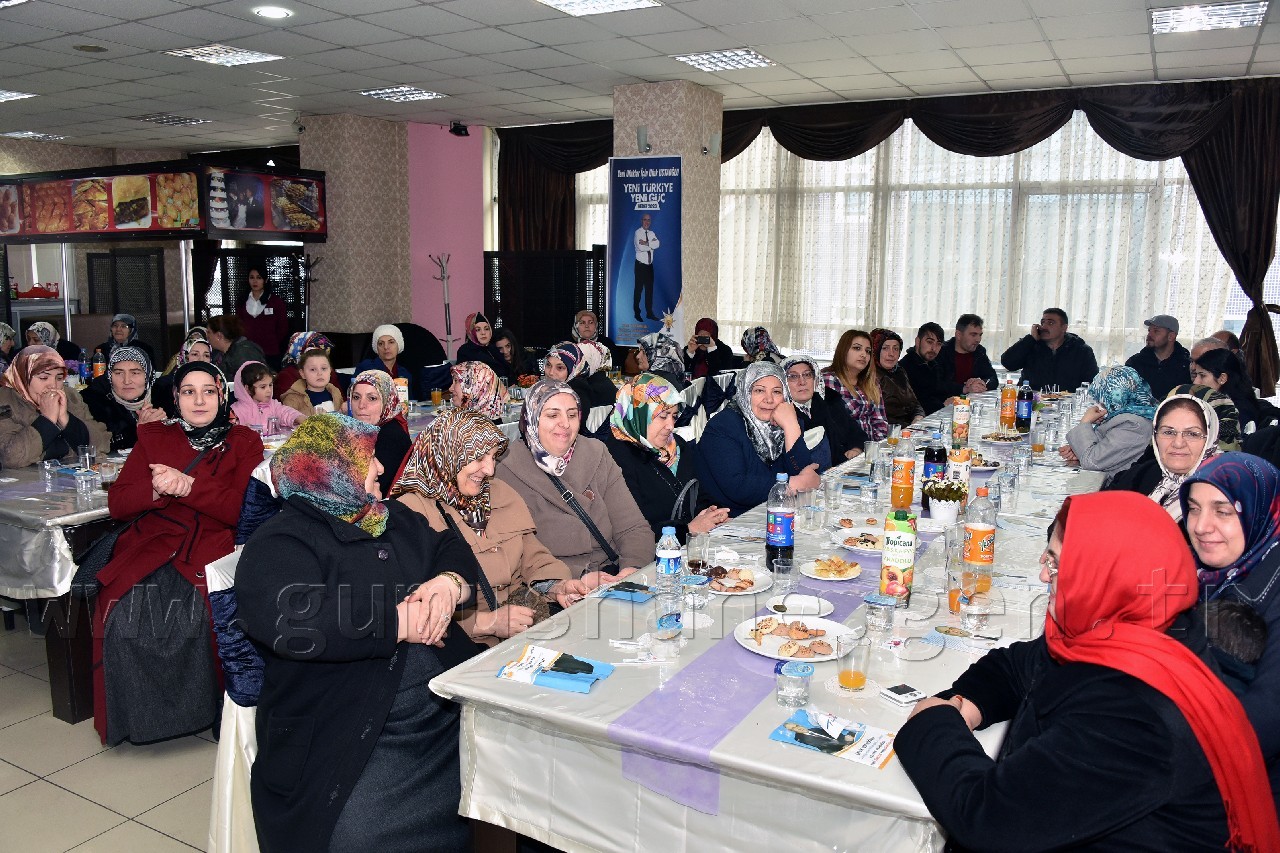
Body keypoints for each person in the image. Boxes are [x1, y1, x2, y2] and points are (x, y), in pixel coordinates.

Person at [894, 492, 1280, 852]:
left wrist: (934, 721)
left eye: (1057, 563)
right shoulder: (1134, 629)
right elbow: (1016, 665)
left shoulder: (1136, 717)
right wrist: (968, 704)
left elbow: (987, 817)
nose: (1043, 575)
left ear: (1106, 579)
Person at [237, 413, 478, 853]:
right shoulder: (280, 541)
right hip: (354, 732)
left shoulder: (392, 516)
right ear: (329, 469)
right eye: (368, 458)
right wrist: (396, 623)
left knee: (522, 779)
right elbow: (295, 619)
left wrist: (449, 583)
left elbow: (451, 548)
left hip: (444, 716)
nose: (381, 467)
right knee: (360, 834)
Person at [92, 362, 263, 746]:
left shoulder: (244, 441)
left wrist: (189, 487)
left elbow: (243, 511)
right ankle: (140, 720)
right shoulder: (156, 437)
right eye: (189, 392)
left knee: (195, 619)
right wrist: (155, 490)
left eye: (208, 391)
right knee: (123, 616)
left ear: (222, 395)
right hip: (156, 544)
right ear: (175, 398)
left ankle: (203, 710)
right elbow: (119, 503)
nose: (199, 400)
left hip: (211, 548)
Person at [394, 409, 596, 646]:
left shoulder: (498, 492)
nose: (490, 469)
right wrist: (487, 623)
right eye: (479, 458)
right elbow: (411, 607)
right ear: (448, 454)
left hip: (524, 630)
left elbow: (533, 556)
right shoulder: (410, 511)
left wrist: (556, 586)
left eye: (492, 457)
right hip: (465, 649)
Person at [1182, 452, 1280, 807]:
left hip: (1238, 791)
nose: (1201, 526)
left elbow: (1266, 717)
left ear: (1259, 511)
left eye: (1223, 512)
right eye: (1193, 509)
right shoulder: (1197, 568)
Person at [495, 379, 654, 579]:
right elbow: (519, 557)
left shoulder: (595, 453)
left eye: (572, 415)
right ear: (531, 419)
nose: (565, 423)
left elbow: (632, 527)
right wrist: (566, 584)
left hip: (612, 573)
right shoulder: (507, 469)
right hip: (557, 585)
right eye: (553, 415)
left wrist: (632, 570)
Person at [601, 373, 729, 540]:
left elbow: (698, 492)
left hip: (691, 544)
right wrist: (688, 529)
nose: (670, 425)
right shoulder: (616, 458)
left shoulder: (677, 446)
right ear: (639, 413)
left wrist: (711, 513)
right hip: (650, 553)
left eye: (674, 416)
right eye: (662, 416)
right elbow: (631, 533)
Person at [697, 362, 823, 516]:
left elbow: (805, 473)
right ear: (745, 393)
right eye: (759, 390)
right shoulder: (723, 426)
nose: (769, 399)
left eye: (776, 392)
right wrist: (792, 485)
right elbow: (738, 487)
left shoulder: (786, 421)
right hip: (731, 518)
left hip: (777, 511)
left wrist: (791, 426)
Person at [1106, 392, 1221, 520]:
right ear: (1155, 436)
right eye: (1168, 432)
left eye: (1192, 434)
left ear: (1210, 439)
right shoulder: (1140, 474)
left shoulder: (1220, 494)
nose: (1178, 443)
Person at [0, 345, 111, 468]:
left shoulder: (69, 396)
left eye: (59, 378)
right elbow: (10, 456)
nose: (53, 385)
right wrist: (47, 419)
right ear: (23, 377)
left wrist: (65, 418)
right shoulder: (4, 401)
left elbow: (102, 444)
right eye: (43, 378)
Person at [1060, 366, 1156, 480]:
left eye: (1102, 401)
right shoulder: (1138, 412)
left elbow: (1092, 462)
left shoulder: (1133, 425)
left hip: (1114, 486)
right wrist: (1079, 450)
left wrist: (1085, 423)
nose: (1099, 406)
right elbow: (1107, 450)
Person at [79, 345, 166, 452]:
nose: (127, 381)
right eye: (119, 373)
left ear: (148, 376)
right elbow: (95, 446)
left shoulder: (165, 396)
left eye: (135, 373)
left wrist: (167, 427)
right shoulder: (93, 401)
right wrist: (139, 430)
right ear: (110, 376)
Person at [999, 307, 1098, 391]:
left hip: (1066, 402)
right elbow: (1008, 363)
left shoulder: (1081, 350)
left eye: (1050, 323)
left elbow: (1092, 382)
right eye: (1042, 322)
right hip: (1031, 401)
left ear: (1064, 328)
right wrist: (1030, 339)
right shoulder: (1030, 345)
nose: (1044, 327)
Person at [347, 369, 412, 496]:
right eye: (356, 397)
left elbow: (365, 495)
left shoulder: (390, 438)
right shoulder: (363, 432)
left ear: (387, 401)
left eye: (372, 398)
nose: (361, 405)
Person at [822, 329, 890, 449]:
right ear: (843, 351)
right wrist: (856, 448)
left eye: (868, 351)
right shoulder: (829, 380)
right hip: (846, 450)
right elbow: (832, 427)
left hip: (871, 449)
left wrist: (878, 449)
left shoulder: (872, 382)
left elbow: (880, 421)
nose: (864, 354)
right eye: (857, 348)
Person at [1191, 347, 1280, 433]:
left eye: (1202, 375)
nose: (1196, 382)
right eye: (1196, 375)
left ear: (1222, 378)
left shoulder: (1235, 414)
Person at [784, 355, 848, 463]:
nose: (802, 382)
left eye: (807, 375)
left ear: (815, 379)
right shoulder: (780, 415)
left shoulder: (827, 403)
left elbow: (851, 432)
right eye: (793, 376)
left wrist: (855, 447)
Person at [1126, 314, 1191, 401]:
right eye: (1149, 331)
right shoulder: (1135, 362)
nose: (1149, 335)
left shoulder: (1186, 366)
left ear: (1171, 336)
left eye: (1156, 331)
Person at [235, 266, 289, 367]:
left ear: (265, 280)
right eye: (252, 277)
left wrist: (272, 341)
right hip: (247, 351)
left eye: (259, 277)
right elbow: (238, 325)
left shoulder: (276, 302)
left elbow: (283, 327)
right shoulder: (242, 301)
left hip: (270, 352)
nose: (255, 281)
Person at [871, 328, 924, 428]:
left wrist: (918, 417)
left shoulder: (899, 371)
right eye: (885, 348)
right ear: (875, 350)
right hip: (887, 431)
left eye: (895, 349)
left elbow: (914, 403)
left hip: (909, 429)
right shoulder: (869, 376)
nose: (891, 354)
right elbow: (877, 418)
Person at [936, 313, 997, 398]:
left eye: (980, 335)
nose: (978, 339)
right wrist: (964, 388)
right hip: (945, 402)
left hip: (971, 402)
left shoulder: (980, 352)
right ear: (959, 335)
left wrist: (981, 382)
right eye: (973, 335)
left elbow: (993, 378)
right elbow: (936, 383)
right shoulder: (941, 351)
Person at [230, 361, 301, 434]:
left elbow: (285, 412)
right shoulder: (236, 412)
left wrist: (298, 417)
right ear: (247, 389)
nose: (269, 390)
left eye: (270, 385)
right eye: (263, 387)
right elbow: (230, 433)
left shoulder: (273, 405)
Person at [152, 336, 213, 418]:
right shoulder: (165, 385)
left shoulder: (216, 384)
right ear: (184, 356)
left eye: (206, 355)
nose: (201, 359)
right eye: (195, 354)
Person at [544, 340, 615, 410]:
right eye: (548, 365)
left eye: (582, 358)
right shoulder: (605, 385)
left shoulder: (577, 392)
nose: (551, 372)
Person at [354, 324, 414, 398]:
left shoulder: (405, 373)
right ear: (376, 348)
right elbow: (355, 396)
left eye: (391, 342)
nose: (386, 347)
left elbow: (409, 401)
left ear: (399, 345)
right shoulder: (366, 369)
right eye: (381, 344)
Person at [900, 321, 948, 414]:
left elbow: (942, 390)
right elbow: (916, 403)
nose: (934, 348)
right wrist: (943, 405)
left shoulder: (934, 365)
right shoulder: (905, 367)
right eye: (929, 342)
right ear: (918, 342)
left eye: (938, 344)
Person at [281, 348, 343, 417]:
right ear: (302, 373)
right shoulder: (293, 399)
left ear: (330, 371)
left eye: (324, 368)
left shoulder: (335, 392)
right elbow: (288, 421)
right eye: (313, 369)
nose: (319, 373)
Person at [456, 311, 513, 381]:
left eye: (486, 329)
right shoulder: (465, 351)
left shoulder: (492, 348)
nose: (483, 333)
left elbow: (507, 371)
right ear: (471, 332)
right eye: (478, 330)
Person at [207, 314, 267, 381]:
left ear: (219, 336)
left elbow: (253, 382)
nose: (207, 336)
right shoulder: (220, 354)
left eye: (209, 332)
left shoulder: (244, 353)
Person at [274, 330, 333, 398]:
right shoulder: (286, 376)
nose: (319, 355)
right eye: (313, 369)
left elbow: (340, 400)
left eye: (323, 351)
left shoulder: (328, 371)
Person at [633, 213, 660, 322]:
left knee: (649, 290)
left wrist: (646, 243)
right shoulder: (638, 233)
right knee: (638, 290)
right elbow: (641, 248)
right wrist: (650, 245)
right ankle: (637, 313)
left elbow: (658, 244)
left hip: (649, 266)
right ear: (642, 221)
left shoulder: (652, 233)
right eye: (645, 220)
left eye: (649, 220)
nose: (647, 222)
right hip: (640, 266)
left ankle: (649, 313)